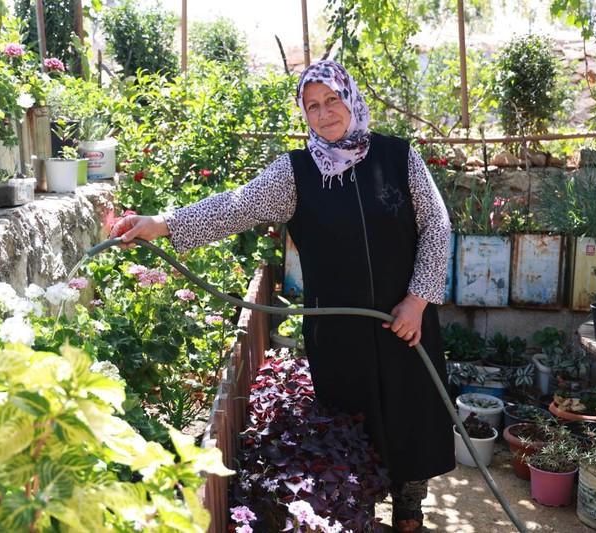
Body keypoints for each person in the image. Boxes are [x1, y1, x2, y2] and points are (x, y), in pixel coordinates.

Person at [111, 59, 454, 532]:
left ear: (350, 98)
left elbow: (437, 224)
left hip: (406, 325)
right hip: (340, 335)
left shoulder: (398, 157)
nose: (324, 113)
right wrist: (161, 224)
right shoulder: (294, 172)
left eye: (332, 100)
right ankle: (362, 515)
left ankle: (409, 513)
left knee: (410, 425)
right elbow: (234, 206)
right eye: (312, 106)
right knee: (352, 435)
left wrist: (417, 301)